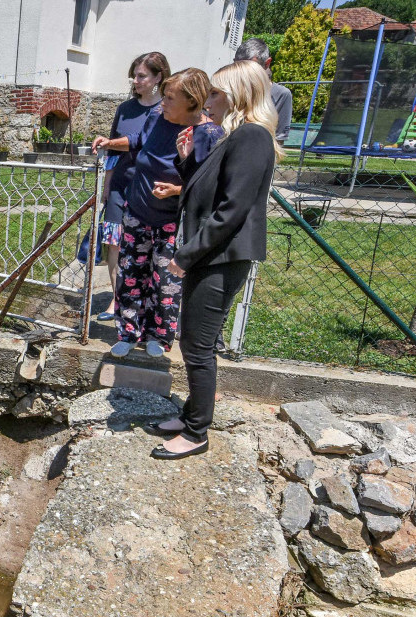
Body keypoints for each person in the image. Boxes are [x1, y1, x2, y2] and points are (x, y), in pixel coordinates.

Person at [149, 60, 283, 460]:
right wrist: (188, 160)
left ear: (238, 96)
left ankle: (196, 432)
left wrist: (185, 256)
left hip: (221, 256)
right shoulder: (235, 136)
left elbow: (231, 211)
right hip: (214, 253)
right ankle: (191, 413)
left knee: (197, 344)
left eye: (216, 93)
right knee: (194, 339)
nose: (210, 101)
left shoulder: (252, 137)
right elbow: (203, 192)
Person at [92, 68, 223, 359]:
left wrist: (178, 190)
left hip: (171, 222)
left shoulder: (209, 133)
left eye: (169, 97)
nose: (162, 102)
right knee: (130, 276)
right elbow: (139, 140)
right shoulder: (157, 117)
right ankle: (128, 332)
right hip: (137, 211)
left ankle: (159, 338)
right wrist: (110, 143)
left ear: (192, 101)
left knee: (165, 282)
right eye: (163, 95)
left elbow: (211, 183)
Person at [92, 52, 169, 322]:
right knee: (114, 243)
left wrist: (111, 143)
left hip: (149, 189)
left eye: (141, 76)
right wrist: (107, 185)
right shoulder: (125, 109)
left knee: (142, 246)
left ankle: (143, 303)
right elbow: (113, 150)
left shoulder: (166, 110)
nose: (135, 80)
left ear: (158, 77)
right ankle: (117, 300)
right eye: (134, 75)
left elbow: (140, 143)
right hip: (120, 184)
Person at [234, 38, 291, 143]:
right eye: (237, 66)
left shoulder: (281, 95)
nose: (242, 73)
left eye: (250, 67)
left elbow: (278, 140)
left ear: (267, 63)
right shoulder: (230, 89)